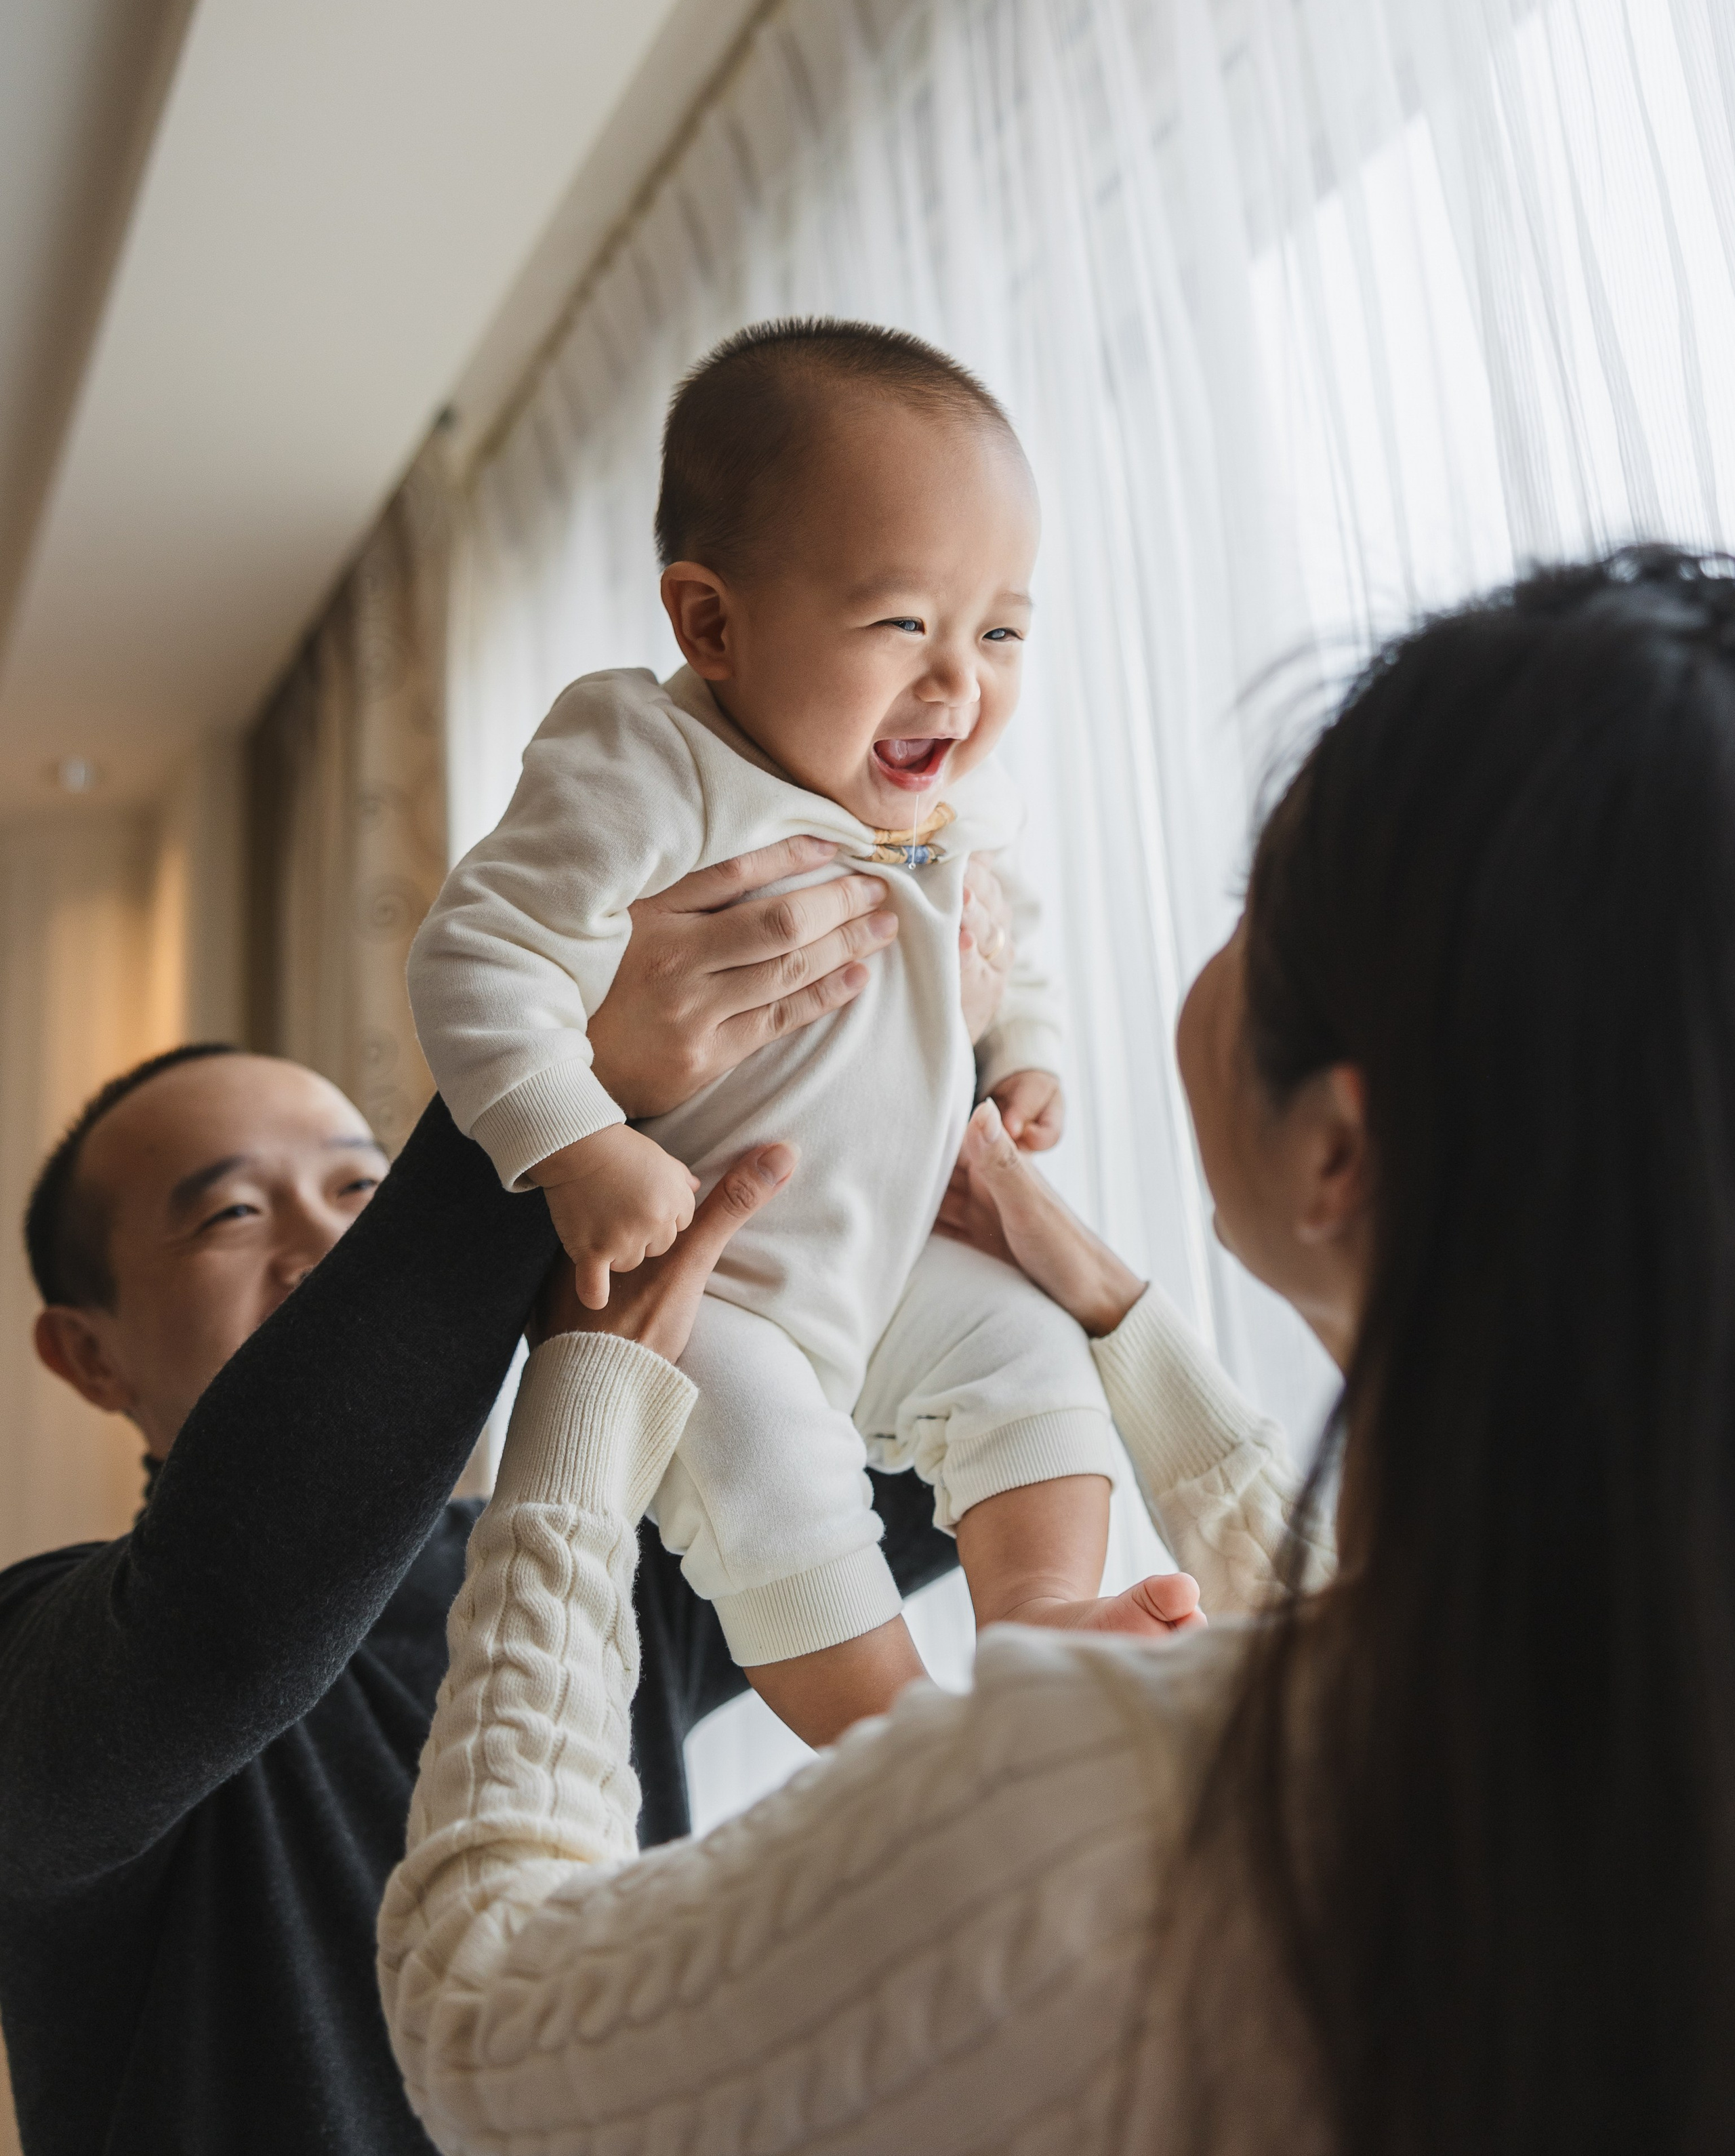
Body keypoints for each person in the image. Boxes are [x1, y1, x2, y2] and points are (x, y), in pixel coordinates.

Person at [380, 546, 1735, 2156]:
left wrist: (582, 1416)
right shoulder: (1607, 1702)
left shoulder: (1117, 1819)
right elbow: (1359, 1627)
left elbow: (484, 2025)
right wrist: (1103, 1300)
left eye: (1256, 906)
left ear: (1337, 1151)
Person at [0, 839, 1007, 2156]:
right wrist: (564, 1083)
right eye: (233, 1214)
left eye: (361, 1189)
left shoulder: (578, 1560)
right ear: (87, 1353)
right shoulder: (36, 1651)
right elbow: (233, 1614)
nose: (327, 1244)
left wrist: (919, 1054)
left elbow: (939, 1452)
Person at [409, 318, 1175, 1751]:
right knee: (758, 1471)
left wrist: (1026, 1058)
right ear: (710, 623)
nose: (959, 683)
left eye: (999, 630)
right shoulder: (648, 762)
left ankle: (1040, 1613)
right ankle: (894, 1741)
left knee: (1026, 1357)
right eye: (901, 624)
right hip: (720, 1277)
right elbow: (480, 954)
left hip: (901, 1250)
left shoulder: (942, 805)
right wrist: (572, 1138)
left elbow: (1011, 930)